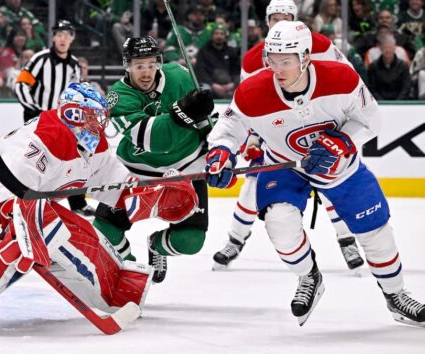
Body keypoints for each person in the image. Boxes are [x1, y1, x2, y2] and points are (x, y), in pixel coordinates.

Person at [0, 82, 199, 336]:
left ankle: (119, 290)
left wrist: (158, 194)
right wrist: (26, 232)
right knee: (13, 246)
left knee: (73, 230)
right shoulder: (42, 141)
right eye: (93, 119)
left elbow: (119, 189)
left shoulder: (94, 147)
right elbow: (7, 190)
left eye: (101, 119)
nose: (99, 126)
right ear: (73, 115)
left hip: (27, 201)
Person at [206, 20, 425, 327]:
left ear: (306, 57)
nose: (277, 68)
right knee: (280, 224)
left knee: (376, 233)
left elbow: (371, 119)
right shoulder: (252, 91)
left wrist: (343, 140)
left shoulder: (341, 78)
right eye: (272, 59)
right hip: (285, 165)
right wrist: (220, 153)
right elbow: (228, 129)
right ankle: (309, 276)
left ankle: (396, 296)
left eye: (286, 61)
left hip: (340, 167)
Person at [213, 0, 364, 272]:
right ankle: (235, 240)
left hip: (323, 128)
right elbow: (249, 104)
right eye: (275, 17)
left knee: (334, 185)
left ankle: (347, 240)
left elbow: (349, 79)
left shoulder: (320, 45)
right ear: (266, 21)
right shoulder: (254, 58)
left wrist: (341, 130)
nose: (280, 21)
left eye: (286, 16)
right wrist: (255, 139)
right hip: (279, 133)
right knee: (252, 188)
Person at [95, 36, 215, 283]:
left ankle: (156, 246)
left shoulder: (180, 76)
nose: (146, 72)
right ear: (127, 66)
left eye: (151, 65)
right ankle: (131, 271)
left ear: (159, 63)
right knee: (105, 231)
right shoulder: (117, 97)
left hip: (186, 167)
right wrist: (182, 113)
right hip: (137, 172)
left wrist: (217, 152)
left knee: (190, 241)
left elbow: (205, 121)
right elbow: (153, 140)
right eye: (139, 66)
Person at [13, 20, 94, 217]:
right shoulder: (40, 59)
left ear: (72, 39)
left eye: (67, 35)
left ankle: (77, 202)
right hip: (38, 119)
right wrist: (33, 110)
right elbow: (21, 84)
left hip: (64, 122)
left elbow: (78, 94)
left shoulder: (75, 65)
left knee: (73, 161)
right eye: (59, 34)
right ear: (53, 37)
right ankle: (30, 201)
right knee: (36, 161)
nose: (63, 38)